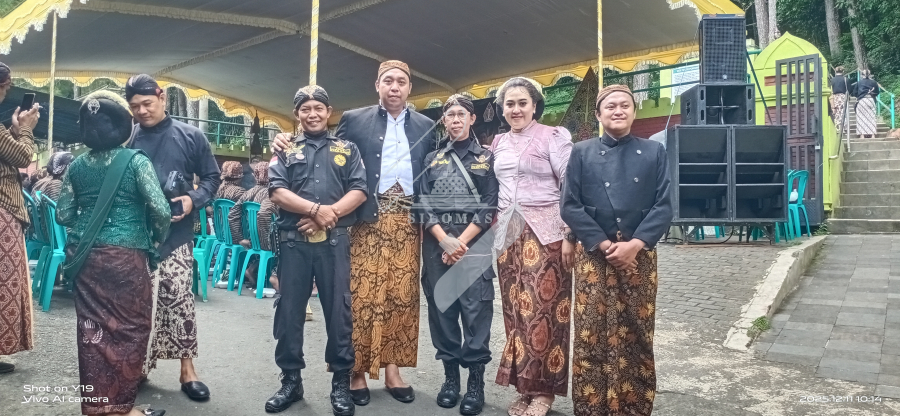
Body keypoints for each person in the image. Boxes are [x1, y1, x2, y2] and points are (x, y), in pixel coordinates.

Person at [272, 59, 434, 405]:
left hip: (407, 222)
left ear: (410, 87)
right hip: (363, 220)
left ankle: (393, 370)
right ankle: (355, 372)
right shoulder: (355, 119)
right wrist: (284, 140)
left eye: (401, 81)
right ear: (377, 85)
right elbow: (330, 169)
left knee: (401, 295)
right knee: (359, 296)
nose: (394, 87)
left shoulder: (426, 125)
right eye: (387, 80)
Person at [57, 90, 171, 416]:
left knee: (91, 331)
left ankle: (98, 407)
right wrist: (156, 240)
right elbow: (161, 210)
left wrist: (88, 222)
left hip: (86, 257)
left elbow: (63, 214)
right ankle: (121, 408)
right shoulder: (136, 161)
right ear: (123, 125)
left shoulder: (76, 165)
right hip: (126, 255)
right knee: (131, 329)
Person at [561, 85, 673, 416]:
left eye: (625, 105)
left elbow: (664, 206)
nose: (618, 111)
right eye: (610, 106)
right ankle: (591, 407)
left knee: (637, 331)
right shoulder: (581, 152)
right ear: (599, 114)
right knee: (590, 332)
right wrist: (605, 243)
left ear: (634, 112)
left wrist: (635, 245)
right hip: (595, 256)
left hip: (639, 258)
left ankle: (634, 407)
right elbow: (570, 205)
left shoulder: (653, 152)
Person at [265, 85, 367, 415]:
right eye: (305, 109)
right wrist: (314, 210)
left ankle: (341, 384)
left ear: (328, 111)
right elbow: (277, 191)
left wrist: (326, 216)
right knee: (289, 313)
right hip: (293, 243)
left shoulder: (347, 149)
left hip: (334, 244)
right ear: (297, 114)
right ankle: (291, 382)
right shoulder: (285, 148)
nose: (312, 114)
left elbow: (360, 190)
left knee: (339, 314)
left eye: (318, 108)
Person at [125, 74, 221, 401]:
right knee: (135, 305)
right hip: (135, 234)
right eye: (135, 107)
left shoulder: (191, 136)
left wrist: (193, 199)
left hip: (176, 233)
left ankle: (187, 370)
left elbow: (211, 178)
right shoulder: (127, 138)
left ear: (162, 97)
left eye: (147, 103)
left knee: (179, 299)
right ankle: (136, 368)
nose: (142, 111)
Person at [490, 77, 574, 416]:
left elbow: (570, 184)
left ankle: (545, 392)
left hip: (547, 233)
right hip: (508, 236)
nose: (516, 109)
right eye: (509, 104)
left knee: (544, 312)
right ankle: (524, 387)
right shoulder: (497, 142)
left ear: (535, 105)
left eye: (522, 103)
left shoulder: (554, 136)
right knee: (515, 312)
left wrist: (569, 234)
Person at [418, 95, 498, 415]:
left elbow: (489, 203)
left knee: (476, 311)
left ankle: (475, 383)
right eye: (450, 115)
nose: (455, 119)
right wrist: (444, 240)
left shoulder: (486, 157)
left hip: (473, 243)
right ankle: (451, 379)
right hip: (437, 243)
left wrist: (460, 243)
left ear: (472, 119)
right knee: (443, 310)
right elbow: (422, 203)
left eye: (461, 114)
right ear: (444, 120)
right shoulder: (431, 158)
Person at [0, 61, 39, 374]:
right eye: (7, 82)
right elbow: (23, 156)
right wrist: (25, 129)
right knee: (5, 281)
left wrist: (14, 132)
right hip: (3, 208)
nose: (10, 87)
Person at [851, 69, 880, 139]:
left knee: (861, 117)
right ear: (870, 75)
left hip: (862, 100)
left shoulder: (859, 82)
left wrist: (858, 96)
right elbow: (877, 92)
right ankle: (872, 134)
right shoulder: (874, 82)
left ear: (862, 75)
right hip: (871, 100)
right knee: (872, 117)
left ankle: (862, 135)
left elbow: (854, 92)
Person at [829, 66, 849, 135]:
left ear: (835, 71)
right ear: (843, 71)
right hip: (843, 97)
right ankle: (844, 127)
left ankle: (838, 128)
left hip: (835, 97)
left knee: (837, 112)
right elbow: (849, 89)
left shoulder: (832, 80)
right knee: (844, 112)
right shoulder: (846, 79)